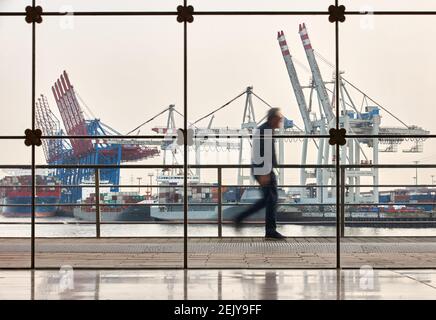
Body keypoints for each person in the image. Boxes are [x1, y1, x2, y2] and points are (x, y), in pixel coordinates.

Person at [234, 108, 285, 239]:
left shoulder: (265, 129)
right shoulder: (265, 131)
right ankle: (270, 230)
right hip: (263, 169)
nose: (280, 123)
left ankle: (241, 218)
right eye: (279, 120)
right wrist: (264, 172)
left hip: (263, 168)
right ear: (272, 119)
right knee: (272, 199)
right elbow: (261, 152)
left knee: (267, 200)